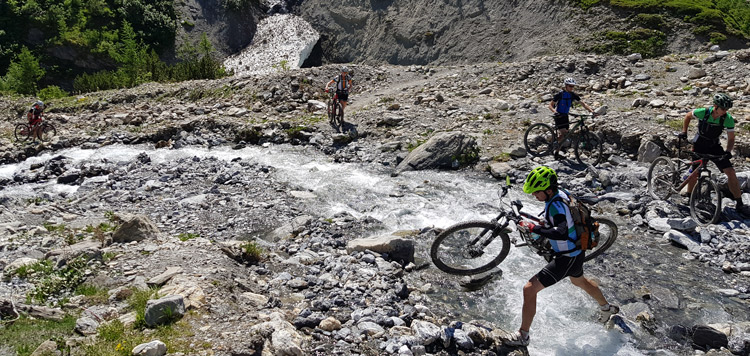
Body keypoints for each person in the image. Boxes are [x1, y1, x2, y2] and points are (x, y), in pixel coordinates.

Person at [502, 166, 619, 347]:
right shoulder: (560, 194)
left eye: (536, 193)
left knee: (529, 289)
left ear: (548, 190)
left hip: (567, 256)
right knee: (579, 281)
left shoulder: (555, 205)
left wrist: (534, 227)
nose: (534, 196)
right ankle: (607, 308)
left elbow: (561, 232)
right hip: (576, 252)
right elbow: (563, 220)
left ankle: (522, 336)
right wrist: (543, 222)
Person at [680, 93, 749, 215]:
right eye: (723, 108)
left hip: (714, 146)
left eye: (727, 109)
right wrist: (684, 132)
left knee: (731, 172)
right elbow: (687, 116)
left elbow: (731, 138)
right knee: (695, 172)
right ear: (715, 106)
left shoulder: (727, 119)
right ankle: (689, 195)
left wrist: (728, 151)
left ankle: (739, 203)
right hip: (699, 145)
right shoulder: (704, 112)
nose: (725, 111)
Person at [548, 78, 597, 142]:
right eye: (570, 86)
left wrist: (592, 111)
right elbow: (550, 105)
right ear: (566, 85)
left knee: (564, 136)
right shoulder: (560, 94)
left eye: (573, 86)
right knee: (564, 133)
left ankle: (556, 150)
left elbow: (583, 104)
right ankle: (551, 144)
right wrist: (555, 112)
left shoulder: (573, 95)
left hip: (565, 116)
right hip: (559, 116)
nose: (572, 88)